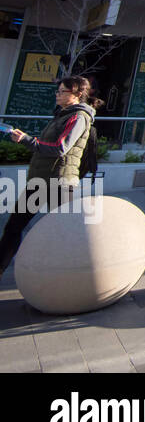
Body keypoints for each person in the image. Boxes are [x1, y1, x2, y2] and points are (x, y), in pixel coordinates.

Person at [0, 76, 100, 276]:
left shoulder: (78, 117)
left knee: (61, 231)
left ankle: (77, 272)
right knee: (14, 226)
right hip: (42, 179)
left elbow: (60, 148)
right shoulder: (63, 114)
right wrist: (28, 140)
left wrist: (27, 140)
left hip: (58, 182)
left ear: (77, 94)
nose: (58, 95)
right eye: (58, 91)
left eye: (63, 91)